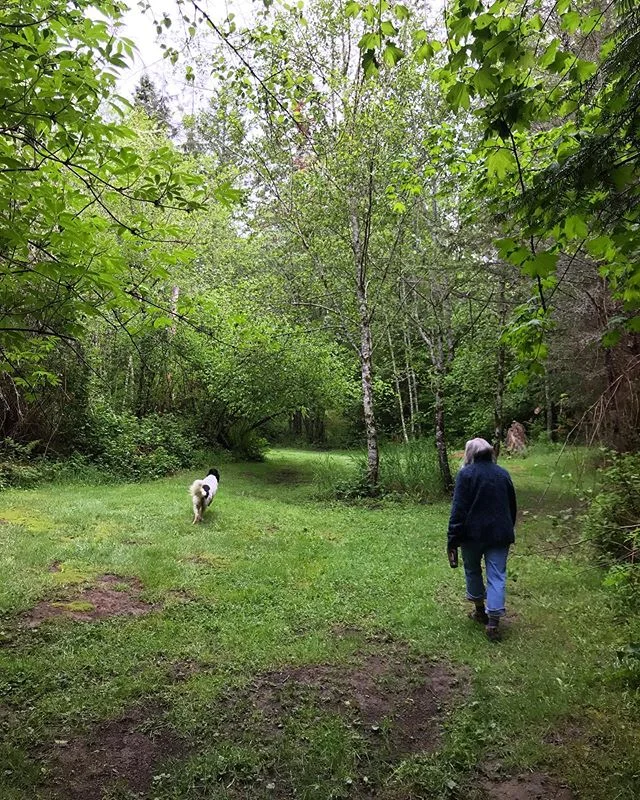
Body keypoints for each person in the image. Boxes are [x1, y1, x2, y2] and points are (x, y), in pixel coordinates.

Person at [447, 437, 517, 641]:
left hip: (472, 535)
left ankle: (480, 611)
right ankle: (493, 622)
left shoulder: (465, 475)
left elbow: (458, 509)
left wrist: (453, 537)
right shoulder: (503, 474)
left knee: (472, 569)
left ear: (470, 453)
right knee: (497, 575)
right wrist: (507, 528)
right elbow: (512, 507)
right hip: (500, 534)